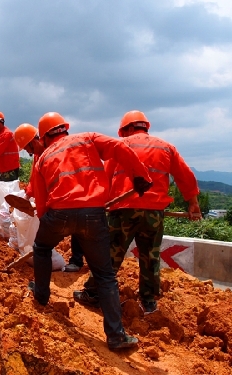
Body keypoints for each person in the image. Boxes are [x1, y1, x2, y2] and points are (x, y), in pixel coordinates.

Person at [29, 111, 153, 350]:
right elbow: (120, 148)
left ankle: (41, 296)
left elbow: (42, 204)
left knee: (42, 248)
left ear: (44, 136)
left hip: (58, 213)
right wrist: (140, 175)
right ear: (64, 127)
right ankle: (116, 336)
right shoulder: (87, 138)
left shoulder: (43, 158)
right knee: (105, 275)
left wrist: (50, 224)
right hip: (94, 214)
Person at [74, 110, 201, 315]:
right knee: (150, 257)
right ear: (145, 126)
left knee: (110, 254)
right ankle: (148, 301)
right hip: (154, 213)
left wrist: (99, 203)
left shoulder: (120, 147)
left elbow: (105, 178)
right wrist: (193, 203)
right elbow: (185, 176)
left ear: (129, 128)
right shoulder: (166, 147)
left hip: (123, 210)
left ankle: (95, 293)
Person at [14, 123, 84, 273]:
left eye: (27, 148)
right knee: (46, 234)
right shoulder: (38, 155)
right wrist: (27, 195)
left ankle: (77, 261)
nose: (28, 152)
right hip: (51, 197)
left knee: (77, 226)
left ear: (33, 142)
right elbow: (35, 179)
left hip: (66, 194)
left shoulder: (59, 149)